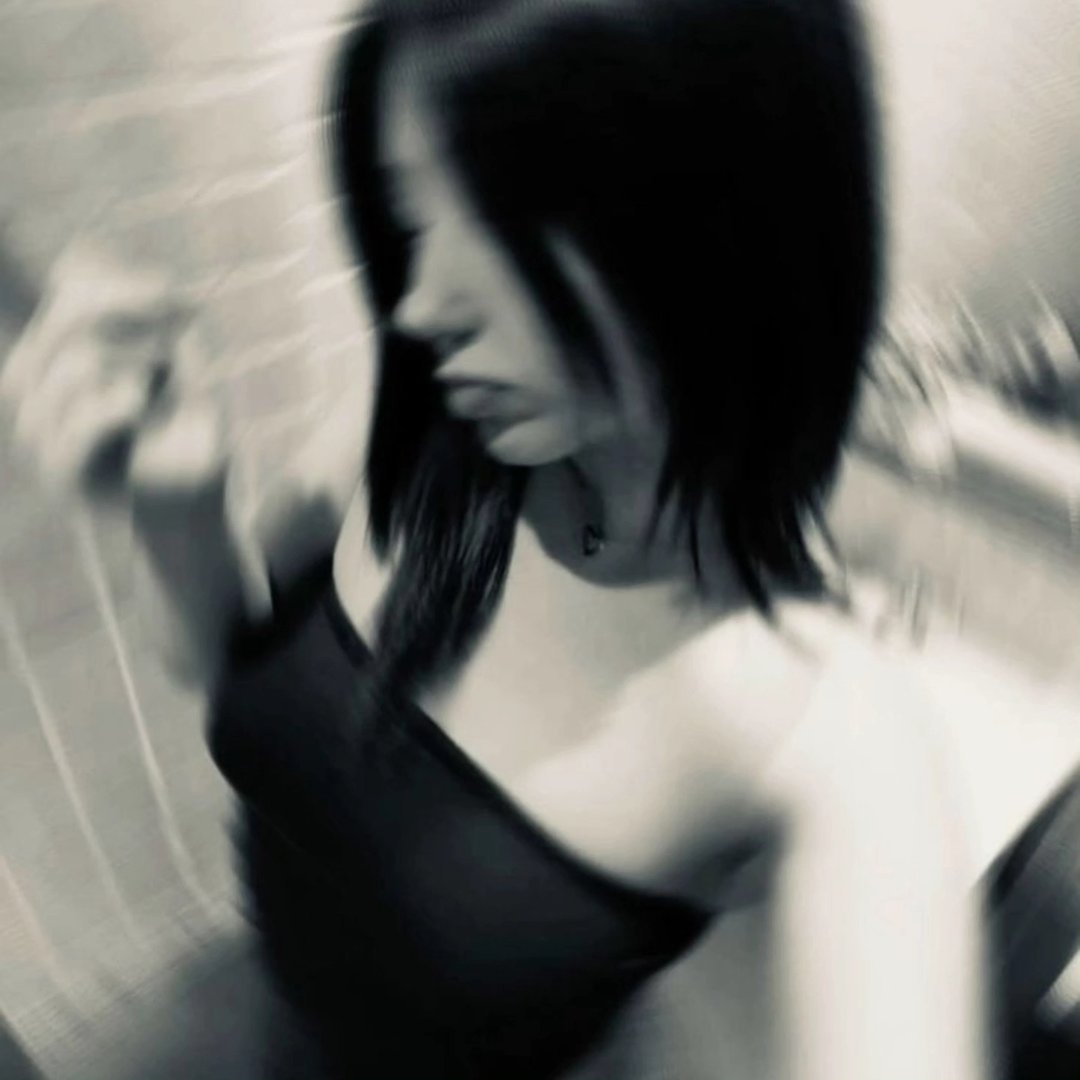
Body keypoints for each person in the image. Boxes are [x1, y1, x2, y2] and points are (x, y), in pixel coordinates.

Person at [0, 0, 991, 1077]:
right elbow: (219, 662)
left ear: (734, 212)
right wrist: (177, 503)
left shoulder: (826, 726)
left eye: (507, 217)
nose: (421, 308)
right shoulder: (420, 425)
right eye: (411, 219)